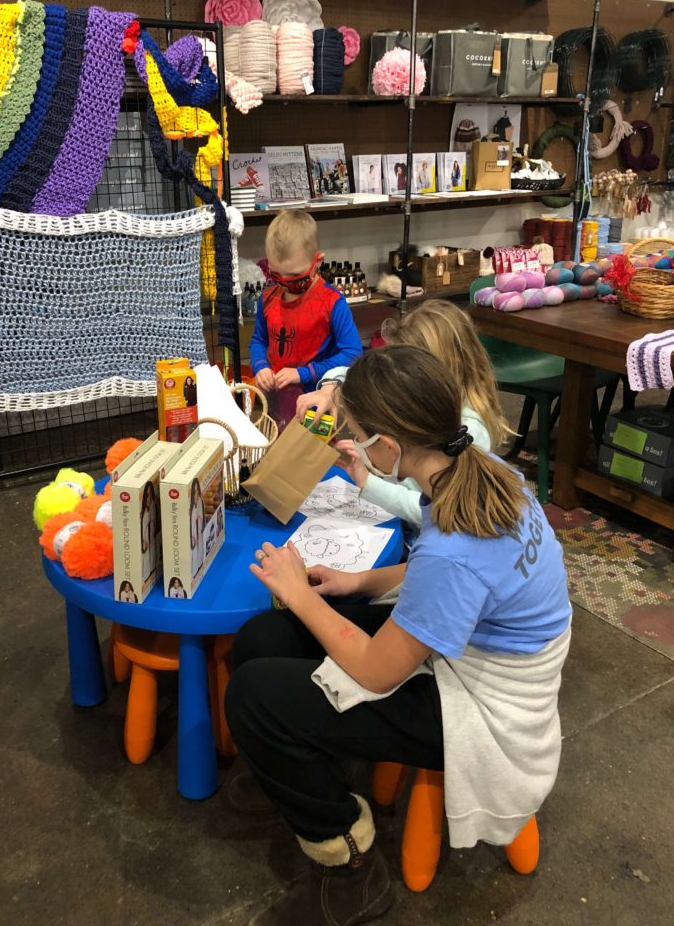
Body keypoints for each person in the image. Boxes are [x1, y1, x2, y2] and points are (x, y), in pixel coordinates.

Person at [225, 346, 572, 926]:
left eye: (357, 435)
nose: (352, 446)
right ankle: (305, 778)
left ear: (387, 447)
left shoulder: (456, 543)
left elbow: (378, 669)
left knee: (253, 696)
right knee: (264, 639)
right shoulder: (482, 474)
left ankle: (350, 867)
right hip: (469, 658)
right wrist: (361, 580)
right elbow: (452, 579)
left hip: (487, 712)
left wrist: (302, 593)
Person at [297, 299, 512, 534]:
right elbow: (357, 375)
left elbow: (436, 511)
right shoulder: (418, 392)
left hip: (423, 534)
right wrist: (330, 388)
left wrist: (369, 484)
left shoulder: (469, 432)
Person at [249, 210, 362, 430]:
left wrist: (303, 373)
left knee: (314, 460)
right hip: (275, 402)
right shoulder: (269, 297)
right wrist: (260, 365)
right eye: (275, 276)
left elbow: (352, 354)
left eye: (294, 278)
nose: (284, 285)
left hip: (314, 404)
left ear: (317, 261)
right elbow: (259, 340)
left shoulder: (331, 302)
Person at [140, 481, 158, 586]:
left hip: (152, 540)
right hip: (145, 543)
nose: (149, 499)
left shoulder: (153, 508)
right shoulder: (143, 514)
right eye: (147, 496)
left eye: (151, 496)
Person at [190, 478, 205, 578]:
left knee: (199, 549)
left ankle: (199, 566)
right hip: (193, 536)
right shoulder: (191, 509)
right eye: (194, 492)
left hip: (199, 532)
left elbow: (201, 517)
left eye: (197, 491)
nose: (196, 495)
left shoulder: (199, 502)